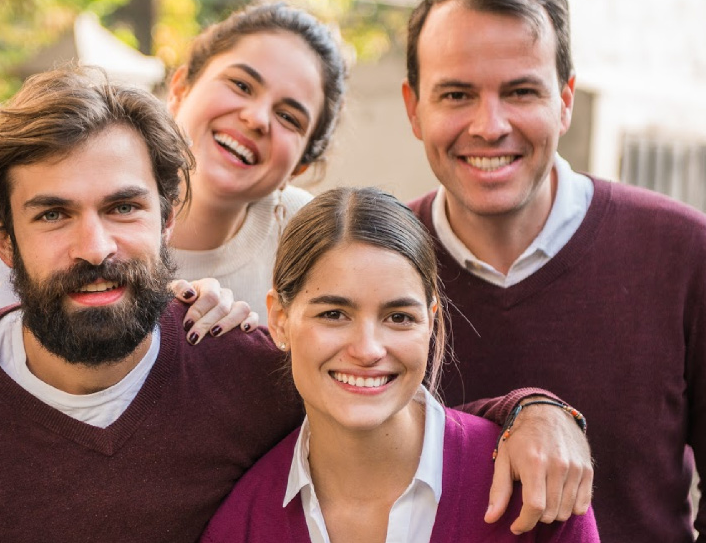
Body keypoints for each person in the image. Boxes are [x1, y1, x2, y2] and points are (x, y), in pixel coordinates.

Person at [0, 67, 570, 543]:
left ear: (167, 214)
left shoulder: (252, 376)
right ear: (4, 242)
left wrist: (532, 412)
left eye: (122, 208)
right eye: (52, 215)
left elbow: (395, 410)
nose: (96, 247)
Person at [400, 0, 706, 541]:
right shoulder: (377, 268)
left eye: (521, 92)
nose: (490, 124)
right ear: (413, 108)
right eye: (457, 94)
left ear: (565, 101)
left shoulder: (684, 253)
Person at [203, 186, 600, 542]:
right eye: (333, 314)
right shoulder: (243, 523)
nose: (368, 349)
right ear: (279, 320)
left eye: (399, 318)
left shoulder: (533, 488)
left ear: (431, 323)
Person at [0, 3, 347, 326]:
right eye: (241, 85)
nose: (257, 119)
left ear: (300, 164)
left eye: (289, 118)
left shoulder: (319, 240)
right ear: (180, 89)